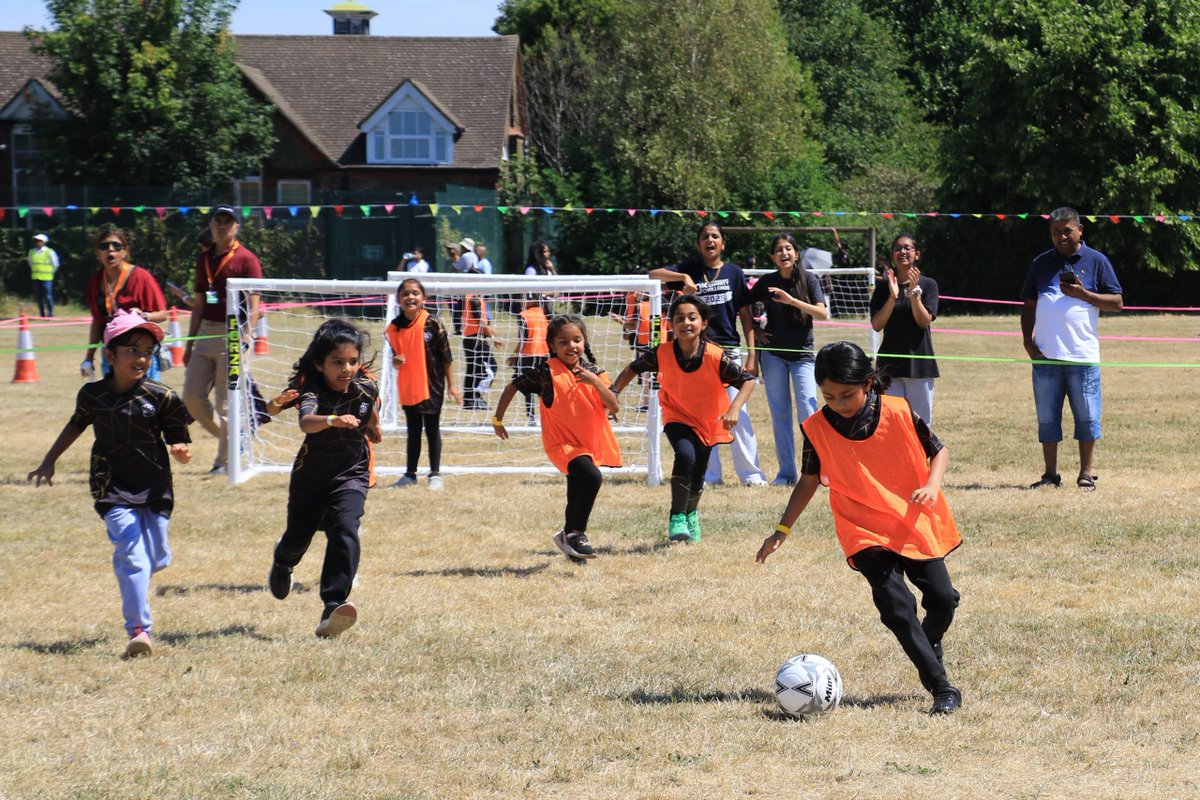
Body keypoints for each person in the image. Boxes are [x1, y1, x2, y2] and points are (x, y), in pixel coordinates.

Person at [756, 341, 963, 715]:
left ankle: (928, 638)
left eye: (846, 395)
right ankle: (942, 687)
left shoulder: (899, 411)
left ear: (868, 383)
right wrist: (781, 529)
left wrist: (932, 485)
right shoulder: (817, 428)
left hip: (910, 519)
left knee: (942, 600)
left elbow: (939, 450)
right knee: (896, 606)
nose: (838, 403)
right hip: (861, 527)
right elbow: (808, 480)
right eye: (829, 396)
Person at [28, 310, 191, 658]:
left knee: (156, 557)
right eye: (132, 350)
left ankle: (138, 568)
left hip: (155, 487)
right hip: (111, 485)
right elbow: (76, 425)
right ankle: (139, 630)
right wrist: (49, 460)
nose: (142, 357)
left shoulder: (162, 396)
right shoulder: (93, 395)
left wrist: (180, 450)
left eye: (147, 351)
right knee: (132, 554)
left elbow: (178, 437)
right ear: (110, 355)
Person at [267, 318, 381, 639]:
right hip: (311, 477)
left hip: (351, 472)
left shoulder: (366, 386)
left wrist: (374, 426)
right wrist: (333, 419)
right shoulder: (312, 390)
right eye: (337, 362)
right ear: (320, 364)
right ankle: (283, 562)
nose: (347, 369)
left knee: (345, 528)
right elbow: (306, 422)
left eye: (353, 361)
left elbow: (368, 405)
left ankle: (333, 605)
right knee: (298, 537)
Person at [611, 294, 756, 542]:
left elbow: (748, 381)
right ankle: (677, 516)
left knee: (699, 472)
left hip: (708, 421)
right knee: (685, 455)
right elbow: (632, 369)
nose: (686, 323)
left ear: (704, 323)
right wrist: (613, 394)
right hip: (676, 416)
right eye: (679, 318)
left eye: (692, 318)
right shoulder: (662, 353)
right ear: (671, 324)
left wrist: (734, 409)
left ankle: (691, 514)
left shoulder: (715, 356)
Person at [493, 314, 621, 562]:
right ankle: (577, 533)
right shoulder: (546, 373)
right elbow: (513, 386)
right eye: (563, 342)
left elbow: (614, 406)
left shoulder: (594, 372)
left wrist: (595, 382)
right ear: (552, 346)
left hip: (587, 444)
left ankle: (568, 540)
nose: (571, 346)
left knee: (576, 491)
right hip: (561, 444)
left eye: (576, 340)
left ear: (584, 341)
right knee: (593, 477)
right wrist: (498, 419)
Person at [649, 222, 767, 487]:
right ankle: (709, 476)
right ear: (698, 243)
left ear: (723, 242)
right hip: (697, 353)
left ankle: (751, 475)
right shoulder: (690, 269)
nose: (710, 240)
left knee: (739, 413)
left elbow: (745, 315)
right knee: (702, 416)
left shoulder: (734, 272)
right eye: (704, 237)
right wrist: (682, 278)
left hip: (728, 351)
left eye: (715, 236)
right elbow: (652, 274)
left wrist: (752, 354)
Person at [1021, 207, 1123, 491]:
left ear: (1080, 230)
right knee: (1047, 418)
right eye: (1056, 232)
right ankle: (1050, 474)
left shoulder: (1097, 260)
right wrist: (1028, 341)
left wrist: (1083, 294)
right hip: (1046, 355)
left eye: (1067, 231)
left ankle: (1086, 474)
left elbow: (1117, 302)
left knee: (1088, 417)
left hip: (1082, 356)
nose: (1062, 236)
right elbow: (1029, 305)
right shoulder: (1041, 263)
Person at [183, 205, 262, 475]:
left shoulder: (247, 259)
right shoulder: (203, 258)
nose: (222, 225)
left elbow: (254, 304)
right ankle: (233, 441)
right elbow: (199, 303)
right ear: (211, 224)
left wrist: (246, 337)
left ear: (237, 226)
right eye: (218, 220)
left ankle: (224, 461)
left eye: (228, 221)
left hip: (233, 332)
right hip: (206, 331)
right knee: (192, 397)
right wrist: (190, 342)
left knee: (225, 403)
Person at [749, 233, 829, 486]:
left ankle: (818, 470)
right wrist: (756, 330)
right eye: (779, 250)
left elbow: (823, 313)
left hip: (803, 356)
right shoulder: (767, 281)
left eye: (788, 248)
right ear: (772, 257)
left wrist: (792, 300)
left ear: (796, 253)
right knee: (780, 415)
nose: (784, 253)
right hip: (773, 356)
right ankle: (786, 474)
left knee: (808, 412)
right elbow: (744, 306)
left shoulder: (809, 279)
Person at [385, 278, 463, 491]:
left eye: (415, 293)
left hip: (432, 384)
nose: (410, 297)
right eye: (405, 294)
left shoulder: (433, 323)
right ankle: (410, 474)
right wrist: (396, 362)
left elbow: (446, 358)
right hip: (409, 385)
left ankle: (435, 474)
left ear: (423, 298)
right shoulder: (394, 328)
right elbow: (396, 358)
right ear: (398, 299)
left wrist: (452, 385)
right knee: (413, 430)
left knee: (431, 428)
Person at [869, 234, 940, 425]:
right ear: (893, 255)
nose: (902, 252)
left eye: (907, 248)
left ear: (917, 254)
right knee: (891, 424)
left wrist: (914, 296)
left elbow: (923, 322)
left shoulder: (929, 285)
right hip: (889, 367)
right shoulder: (883, 287)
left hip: (919, 364)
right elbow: (877, 325)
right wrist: (892, 297)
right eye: (898, 248)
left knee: (920, 425)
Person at [82, 228, 169, 381]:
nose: (110, 250)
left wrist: (144, 316)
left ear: (125, 252)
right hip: (111, 353)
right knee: (114, 394)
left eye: (116, 246)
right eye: (104, 246)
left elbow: (163, 314)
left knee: (145, 394)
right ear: (98, 253)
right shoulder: (95, 281)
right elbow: (98, 321)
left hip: (140, 352)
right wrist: (89, 357)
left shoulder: (141, 277)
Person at [509, 294, 550, 423]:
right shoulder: (545, 313)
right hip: (544, 353)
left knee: (528, 387)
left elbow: (523, 339)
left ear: (533, 300)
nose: (521, 301)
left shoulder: (524, 315)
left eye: (524, 298)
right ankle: (545, 415)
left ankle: (531, 416)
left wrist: (514, 355)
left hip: (528, 354)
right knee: (543, 387)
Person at [461, 290, 501, 409]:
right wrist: (493, 338)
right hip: (476, 340)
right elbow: (481, 322)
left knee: (473, 369)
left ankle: (469, 400)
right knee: (490, 368)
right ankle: (476, 396)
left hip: (470, 339)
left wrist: (490, 330)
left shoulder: (471, 297)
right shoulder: (474, 299)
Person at [28, 233, 60, 318]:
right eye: (36, 240)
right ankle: (42, 314)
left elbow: (55, 264)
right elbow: (30, 263)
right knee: (39, 297)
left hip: (47, 278)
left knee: (48, 296)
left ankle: (50, 314)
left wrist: (50, 272)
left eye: (39, 240)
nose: (37, 242)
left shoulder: (49, 252)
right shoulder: (32, 251)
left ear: (43, 242)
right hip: (36, 277)